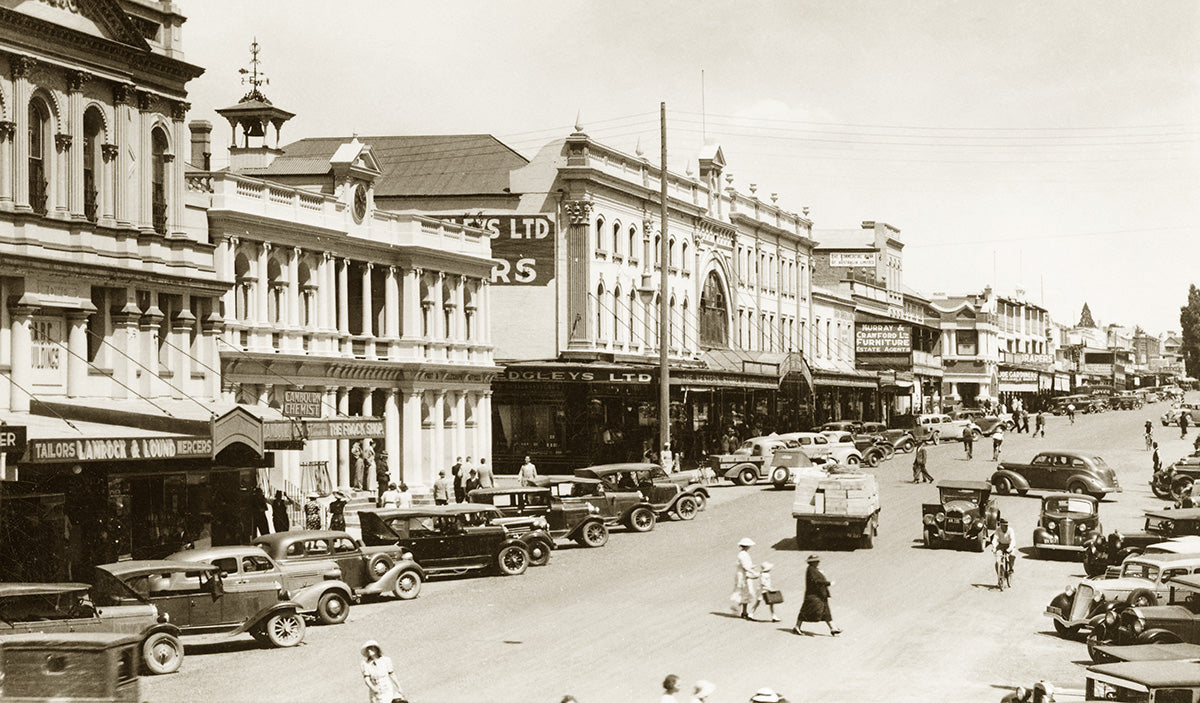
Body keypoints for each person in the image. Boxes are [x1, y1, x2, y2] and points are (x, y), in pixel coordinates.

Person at [794, 554, 840, 636]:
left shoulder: (814, 569)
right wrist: (828, 583)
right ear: (812, 562)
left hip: (820, 595)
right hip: (814, 595)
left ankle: (833, 628)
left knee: (826, 611)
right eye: (816, 561)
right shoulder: (811, 570)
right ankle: (797, 627)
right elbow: (816, 581)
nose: (818, 562)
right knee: (807, 611)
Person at [730, 537, 759, 620]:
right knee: (745, 592)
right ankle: (737, 607)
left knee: (745, 593)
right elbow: (745, 566)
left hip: (744, 574)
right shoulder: (743, 555)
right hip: (742, 576)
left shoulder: (743, 554)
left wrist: (752, 568)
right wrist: (754, 572)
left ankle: (744, 611)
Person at [989, 517, 1017, 583]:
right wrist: (994, 547)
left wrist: (1009, 549)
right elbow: (995, 539)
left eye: (1007, 525)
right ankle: (1000, 577)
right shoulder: (998, 530)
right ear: (1001, 525)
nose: (1006, 527)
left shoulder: (1010, 530)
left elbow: (1012, 540)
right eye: (1004, 525)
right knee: (997, 562)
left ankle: (1010, 568)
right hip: (1001, 545)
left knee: (1012, 556)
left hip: (1009, 545)